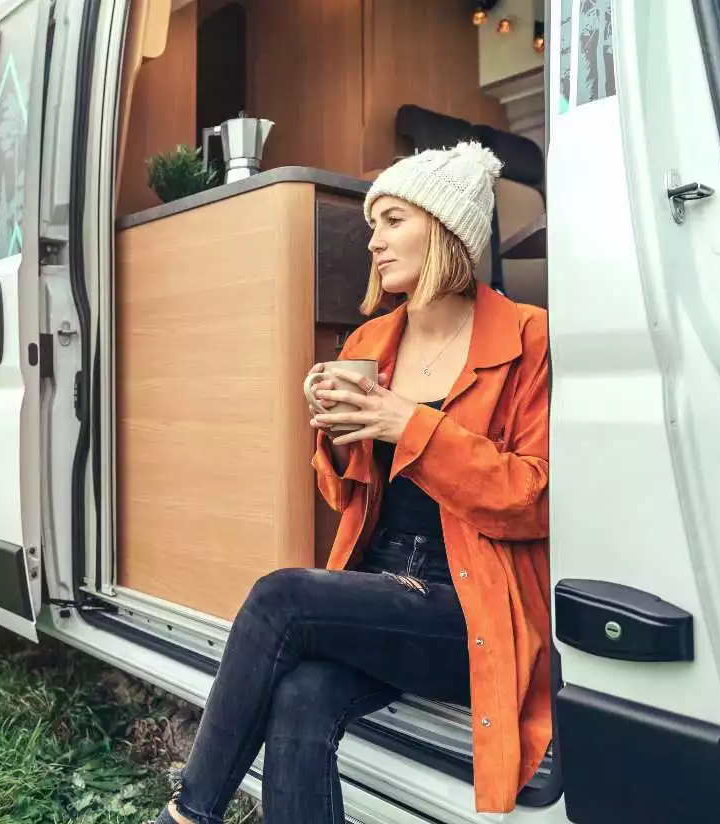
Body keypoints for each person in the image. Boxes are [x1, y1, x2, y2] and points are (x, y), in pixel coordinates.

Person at [147, 141, 552, 824]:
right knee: (302, 692)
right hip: (382, 586)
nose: (375, 242)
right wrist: (334, 439)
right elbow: (344, 495)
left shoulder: (527, 337)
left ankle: (186, 816)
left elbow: (531, 499)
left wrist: (408, 425)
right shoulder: (369, 344)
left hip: (474, 602)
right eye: (373, 226)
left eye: (393, 221)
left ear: (448, 228)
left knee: (280, 598)